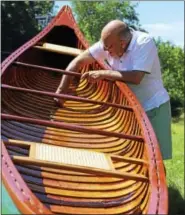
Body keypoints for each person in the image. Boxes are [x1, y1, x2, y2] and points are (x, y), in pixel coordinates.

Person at [54, 20, 172, 160]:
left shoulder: (144, 42)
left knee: (156, 156)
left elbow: (136, 77)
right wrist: (61, 91)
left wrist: (104, 74)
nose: (105, 51)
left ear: (122, 43)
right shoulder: (108, 44)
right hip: (131, 109)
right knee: (136, 155)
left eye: (109, 47)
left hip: (154, 106)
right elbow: (77, 62)